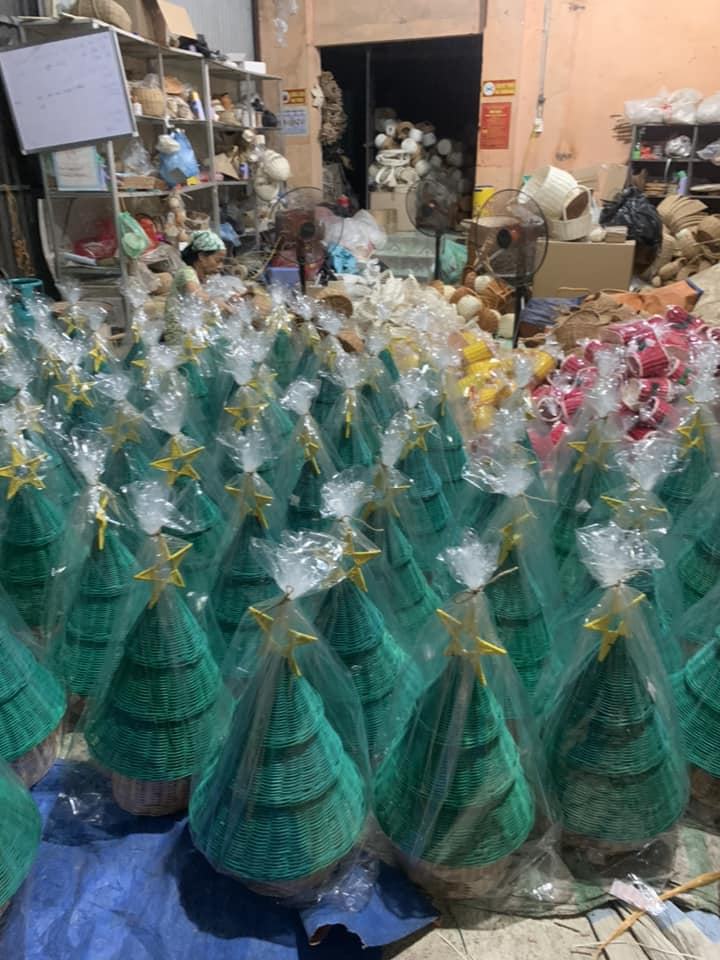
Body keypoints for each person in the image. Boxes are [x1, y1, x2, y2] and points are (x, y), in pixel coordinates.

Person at [164, 229, 239, 344]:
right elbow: (198, 295)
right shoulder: (186, 272)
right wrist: (219, 304)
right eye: (218, 260)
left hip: (196, 336)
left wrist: (230, 300)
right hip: (180, 341)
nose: (221, 266)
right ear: (202, 257)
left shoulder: (206, 278)